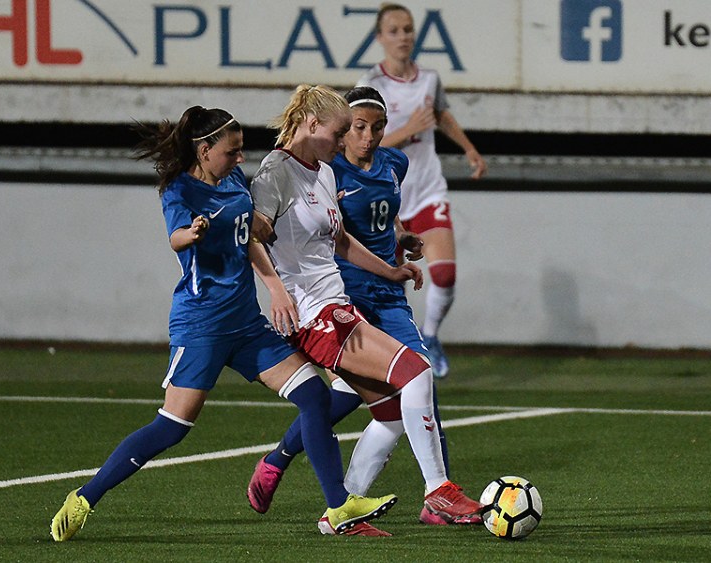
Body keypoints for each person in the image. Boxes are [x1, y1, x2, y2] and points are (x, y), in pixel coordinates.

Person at [49, 106, 398, 542]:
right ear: (204, 151)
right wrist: (191, 234)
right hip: (203, 326)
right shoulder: (180, 190)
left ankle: (338, 505)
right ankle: (85, 497)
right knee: (171, 427)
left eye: (240, 150)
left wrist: (275, 287)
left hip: (246, 324)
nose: (239, 159)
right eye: (231, 152)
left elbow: (248, 238)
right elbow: (175, 237)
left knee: (314, 395)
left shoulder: (233, 181)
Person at [246, 84, 483, 535]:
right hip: (315, 315)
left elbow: (340, 240)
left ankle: (343, 510)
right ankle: (439, 491)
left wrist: (390, 268)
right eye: (342, 132)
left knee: (392, 415)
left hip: (340, 305)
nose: (346, 143)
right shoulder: (275, 172)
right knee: (417, 374)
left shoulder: (322, 171)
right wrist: (275, 289)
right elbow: (251, 236)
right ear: (312, 124)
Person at [357, 3, 488, 379]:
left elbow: (441, 114)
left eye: (408, 29)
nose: (403, 37)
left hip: (428, 190)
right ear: (380, 38)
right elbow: (361, 144)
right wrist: (409, 130)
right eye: (394, 30)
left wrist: (468, 148)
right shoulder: (372, 84)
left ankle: (430, 336)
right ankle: (390, 356)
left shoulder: (429, 78)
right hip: (387, 197)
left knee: (444, 275)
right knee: (387, 284)